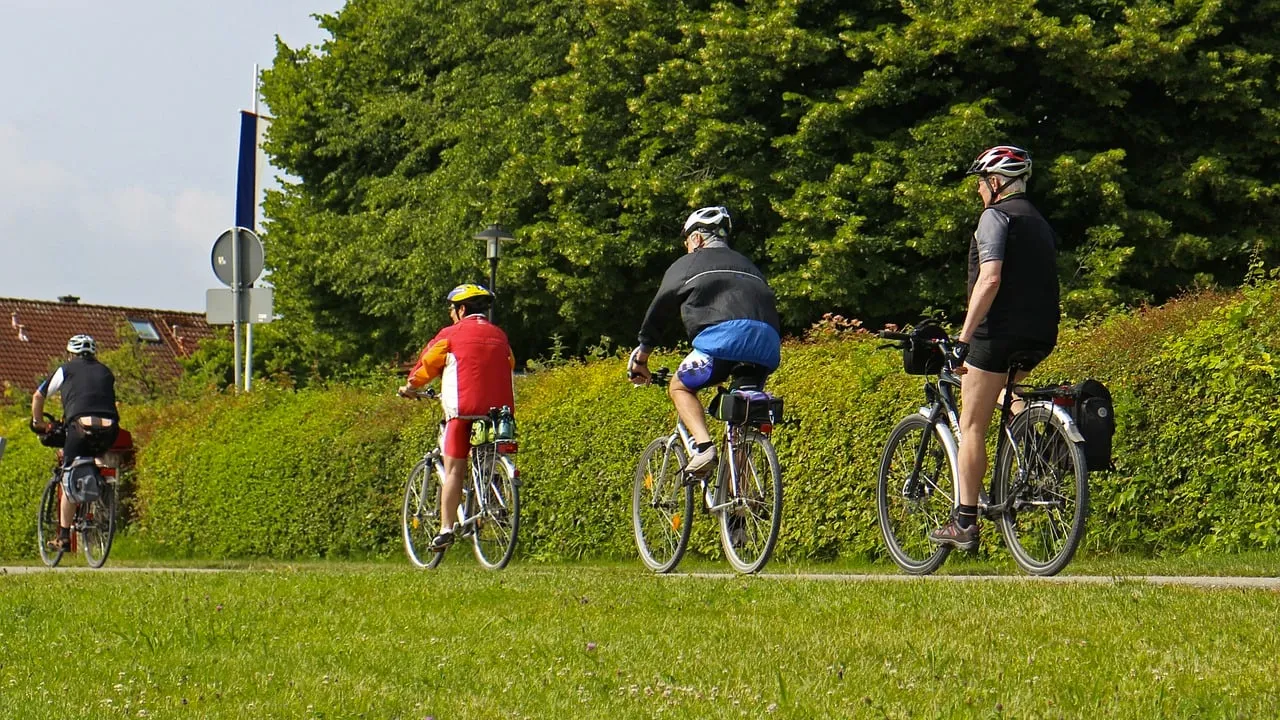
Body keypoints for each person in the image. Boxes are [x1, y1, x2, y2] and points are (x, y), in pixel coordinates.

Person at [929, 145, 1061, 550]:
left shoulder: (994, 216)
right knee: (1006, 391)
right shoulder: (1040, 222)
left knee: (971, 425)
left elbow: (990, 279)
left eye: (981, 183)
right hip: (1041, 333)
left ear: (997, 182)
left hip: (996, 334)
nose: (979, 192)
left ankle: (964, 521)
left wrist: (964, 340)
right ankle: (1036, 440)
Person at [627, 206, 782, 474]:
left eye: (687, 241)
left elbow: (660, 309)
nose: (687, 247)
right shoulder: (749, 265)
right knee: (742, 418)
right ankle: (739, 504)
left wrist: (642, 356)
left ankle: (704, 448)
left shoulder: (689, 263)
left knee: (679, 387)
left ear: (696, 238)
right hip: (767, 344)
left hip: (723, 340)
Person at [398, 284, 515, 551]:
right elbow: (508, 364)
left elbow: (426, 366)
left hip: (462, 411)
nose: (452, 315)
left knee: (454, 469)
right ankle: (493, 493)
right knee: (486, 453)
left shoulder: (450, 335)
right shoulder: (500, 336)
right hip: (499, 412)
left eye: (453, 310)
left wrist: (410, 387)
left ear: (462, 309)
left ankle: (446, 528)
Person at [30, 334, 120, 551]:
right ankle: (100, 486)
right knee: (95, 456)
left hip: (79, 428)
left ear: (70, 354)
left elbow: (38, 396)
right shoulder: (106, 371)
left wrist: (38, 423)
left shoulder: (65, 369)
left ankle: (62, 537)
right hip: (110, 429)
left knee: (69, 476)